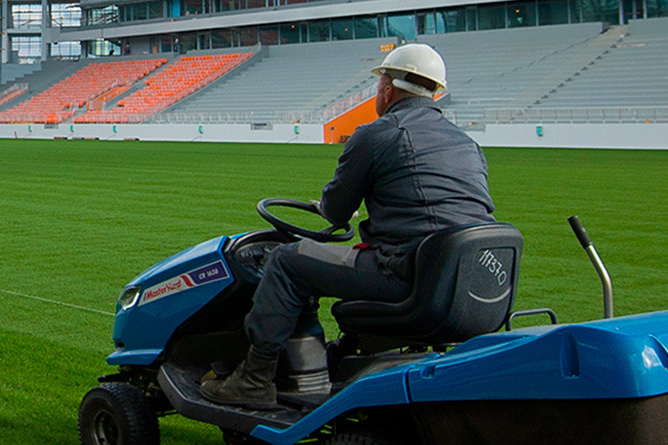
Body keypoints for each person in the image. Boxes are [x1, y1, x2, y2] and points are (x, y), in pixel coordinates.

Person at [200, 43, 495, 408]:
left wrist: (325, 208)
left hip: (409, 276)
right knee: (357, 256)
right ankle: (341, 357)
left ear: (387, 89)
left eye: (379, 84)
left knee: (286, 261)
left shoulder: (377, 134)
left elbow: (337, 212)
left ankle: (255, 378)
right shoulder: (468, 144)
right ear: (435, 91)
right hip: (471, 283)